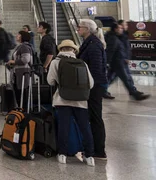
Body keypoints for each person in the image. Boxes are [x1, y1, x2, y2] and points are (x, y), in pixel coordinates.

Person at [47, 40, 95, 166]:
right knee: (85, 128)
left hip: (62, 100)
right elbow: (91, 83)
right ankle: (90, 156)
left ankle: (62, 155)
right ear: (74, 50)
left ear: (61, 49)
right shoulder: (82, 63)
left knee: (64, 127)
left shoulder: (56, 62)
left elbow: (50, 81)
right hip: (81, 101)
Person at [77, 19, 108, 160]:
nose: (78, 29)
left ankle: (99, 150)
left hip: (94, 86)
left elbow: (95, 69)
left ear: (87, 29)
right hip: (91, 85)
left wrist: (90, 86)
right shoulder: (89, 42)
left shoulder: (94, 45)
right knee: (92, 116)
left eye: (80, 27)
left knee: (95, 117)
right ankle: (92, 146)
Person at [104, 22, 150, 101]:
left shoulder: (117, 37)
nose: (121, 29)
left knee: (110, 78)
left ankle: (102, 90)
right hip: (118, 62)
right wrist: (107, 62)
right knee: (126, 78)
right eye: (120, 28)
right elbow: (111, 51)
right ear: (115, 29)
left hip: (118, 61)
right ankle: (134, 94)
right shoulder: (113, 38)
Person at [7, 31, 34, 110]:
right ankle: (20, 109)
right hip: (18, 72)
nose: (17, 36)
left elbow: (26, 59)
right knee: (18, 92)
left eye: (19, 34)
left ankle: (23, 110)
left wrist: (14, 62)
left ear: (23, 36)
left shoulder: (24, 47)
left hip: (23, 73)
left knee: (22, 92)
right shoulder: (21, 46)